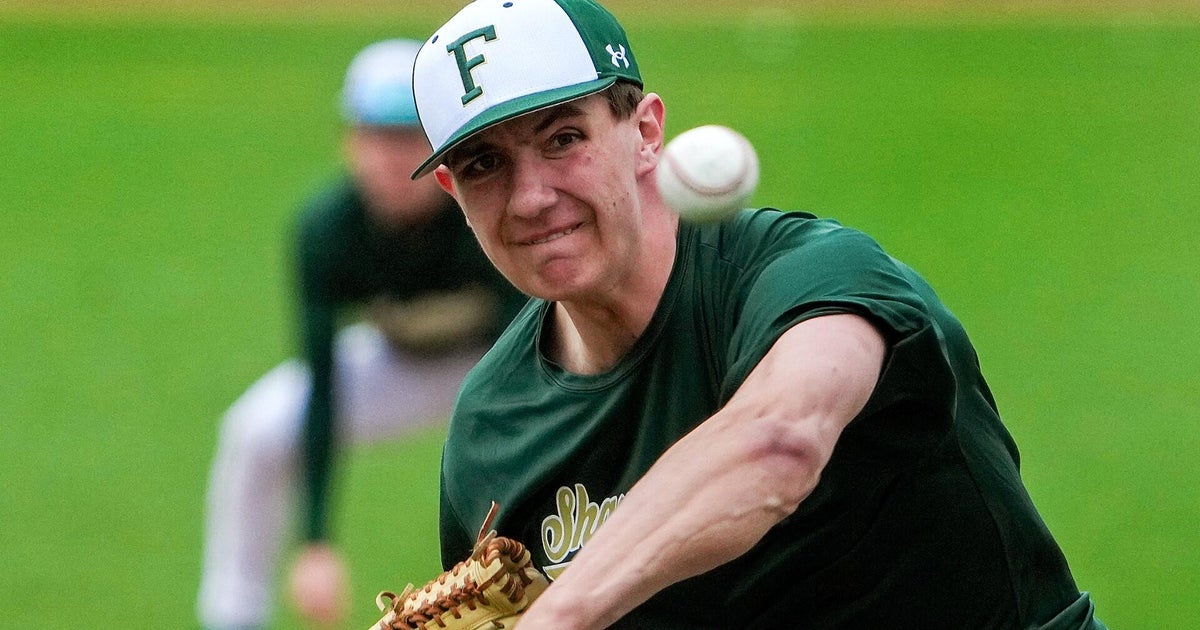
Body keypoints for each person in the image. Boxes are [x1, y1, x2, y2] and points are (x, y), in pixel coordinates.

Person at [397, 0, 1110, 628]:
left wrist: (562, 612)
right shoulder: (490, 429)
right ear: (450, 191)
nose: (530, 198)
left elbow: (777, 443)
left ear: (646, 132)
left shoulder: (813, 277)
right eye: (485, 164)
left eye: (563, 139)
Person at [195, 39, 526, 630]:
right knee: (257, 431)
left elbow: (530, 358)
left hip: (509, 365)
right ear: (349, 143)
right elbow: (321, 386)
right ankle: (232, 616)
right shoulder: (328, 230)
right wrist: (317, 542)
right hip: (401, 365)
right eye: (376, 136)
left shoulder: (486, 209)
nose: (391, 159)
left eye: (409, 138)